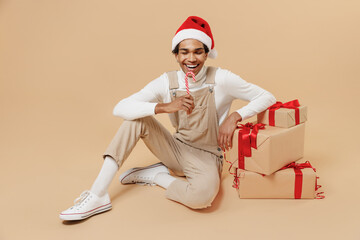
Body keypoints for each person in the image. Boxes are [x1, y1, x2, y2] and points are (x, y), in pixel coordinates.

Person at [59, 16, 276, 221]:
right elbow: (120, 107)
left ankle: (156, 176)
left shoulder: (222, 79)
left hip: (208, 157)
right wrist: (163, 107)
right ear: (176, 55)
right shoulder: (167, 82)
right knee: (136, 119)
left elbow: (267, 96)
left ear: (207, 53)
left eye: (198, 52)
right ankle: (98, 195)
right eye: (184, 52)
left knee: (202, 197)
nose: (191, 59)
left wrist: (236, 116)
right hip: (176, 149)